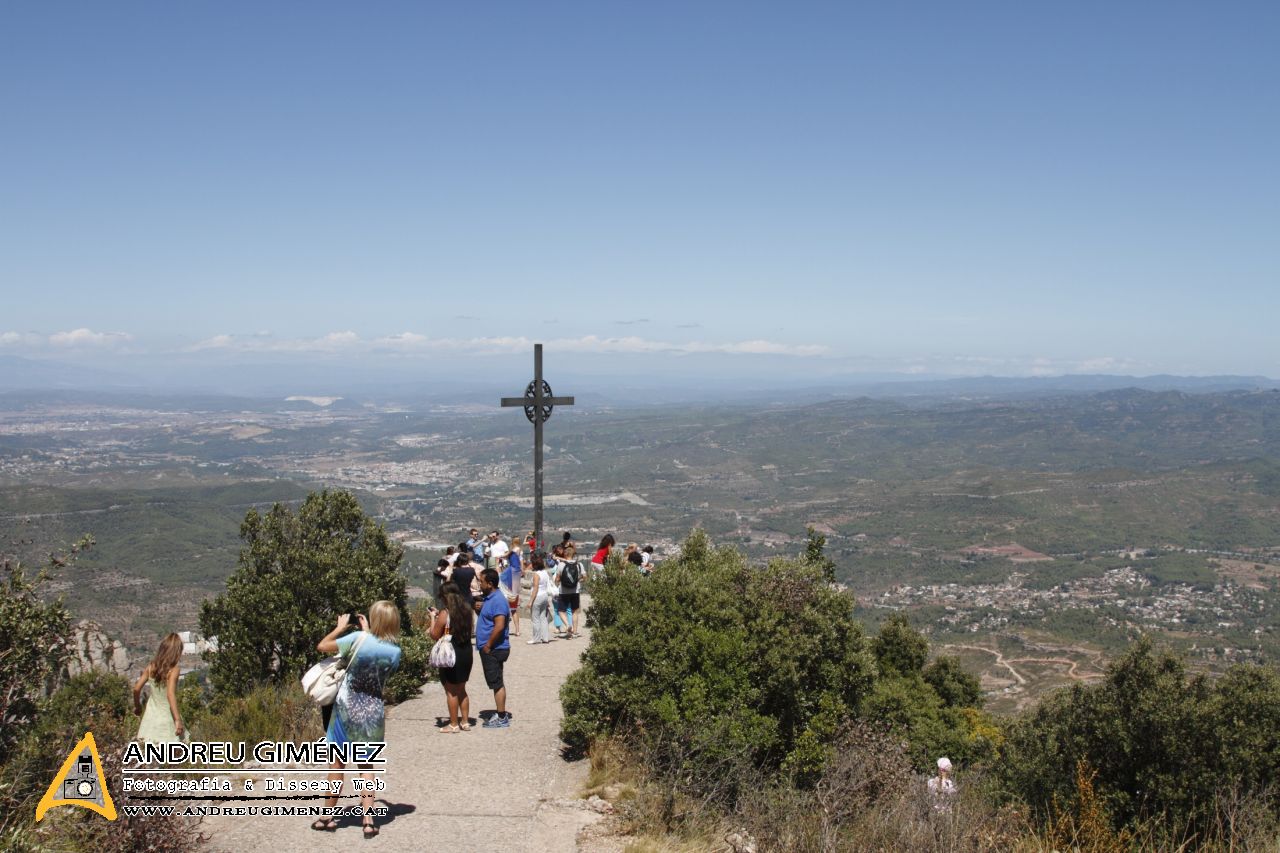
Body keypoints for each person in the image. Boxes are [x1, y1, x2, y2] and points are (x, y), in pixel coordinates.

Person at [313, 602, 402, 838]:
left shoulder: (354, 640)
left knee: (337, 764)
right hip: (372, 714)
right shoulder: (395, 652)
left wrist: (340, 628)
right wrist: (368, 633)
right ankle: (369, 821)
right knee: (366, 768)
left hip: (345, 711)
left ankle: (327, 817)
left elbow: (322, 646)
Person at [429, 582, 474, 733]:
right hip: (466, 651)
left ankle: (453, 724)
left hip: (451, 654)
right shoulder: (467, 610)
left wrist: (432, 618)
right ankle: (465, 722)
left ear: (445, 597)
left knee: (451, 691)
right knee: (462, 689)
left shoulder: (445, 613)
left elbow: (434, 635)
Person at [474, 568, 512, 728]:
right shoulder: (489, 599)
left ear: (490, 584)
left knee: (496, 682)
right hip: (491, 647)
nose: (479, 584)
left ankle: (502, 717)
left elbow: (499, 625)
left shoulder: (497, 600)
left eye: (481, 581)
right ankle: (500, 713)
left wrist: (488, 645)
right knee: (496, 681)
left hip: (494, 648)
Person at [133, 633, 186, 744]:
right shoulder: (174, 670)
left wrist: (138, 707)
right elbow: (170, 694)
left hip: (150, 721)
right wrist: (177, 720)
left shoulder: (150, 667)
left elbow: (136, 688)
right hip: (168, 721)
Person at [527, 552, 554, 644]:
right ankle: (545, 637)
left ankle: (536, 638)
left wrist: (530, 601)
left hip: (537, 597)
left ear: (535, 565)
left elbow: (535, 588)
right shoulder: (545, 573)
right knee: (543, 618)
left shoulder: (536, 575)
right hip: (544, 596)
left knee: (535, 619)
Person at [555, 554, 583, 639]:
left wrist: (557, 584)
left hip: (563, 591)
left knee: (560, 610)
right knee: (575, 611)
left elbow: (557, 579)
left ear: (565, 555)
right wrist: (577, 581)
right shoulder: (579, 564)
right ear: (573, 555)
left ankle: (567, 625)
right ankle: (574, 632)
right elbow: (584, 577)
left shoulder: (561, 564)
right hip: (575, 591)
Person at [500, 544, 522, 636]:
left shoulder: (507, 571)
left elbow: (500, 579)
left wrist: (500, 557)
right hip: (514, 592)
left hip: (506, 592)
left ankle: (505, 630)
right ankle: (517, 630)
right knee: (514, 610)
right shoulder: (517, 570)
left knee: (504, 610)